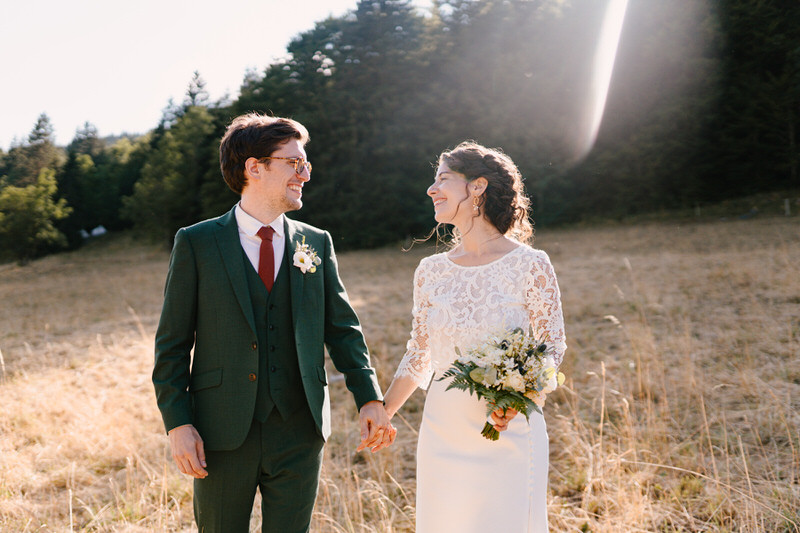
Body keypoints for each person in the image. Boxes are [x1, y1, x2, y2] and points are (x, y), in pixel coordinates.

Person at [152, 113, 395, 533]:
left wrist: (369, 397)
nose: (304, 173)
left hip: (299, 430)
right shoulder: (196, 242)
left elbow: (342, 330)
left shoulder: (316, 242)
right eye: (293, 163)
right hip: (221, 433)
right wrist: (178, 423)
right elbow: (172, 344)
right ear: (254, 167)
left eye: (306, 164)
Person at [381, 141, 566, 532]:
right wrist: (382, 412)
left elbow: (552, 346)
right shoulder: (430, 271)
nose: (432, 189)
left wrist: (519, 398)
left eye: (443, 179)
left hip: (506, 424)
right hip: (443, 429)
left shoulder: (530, 265)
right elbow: (420, 353)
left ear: (477, 186)